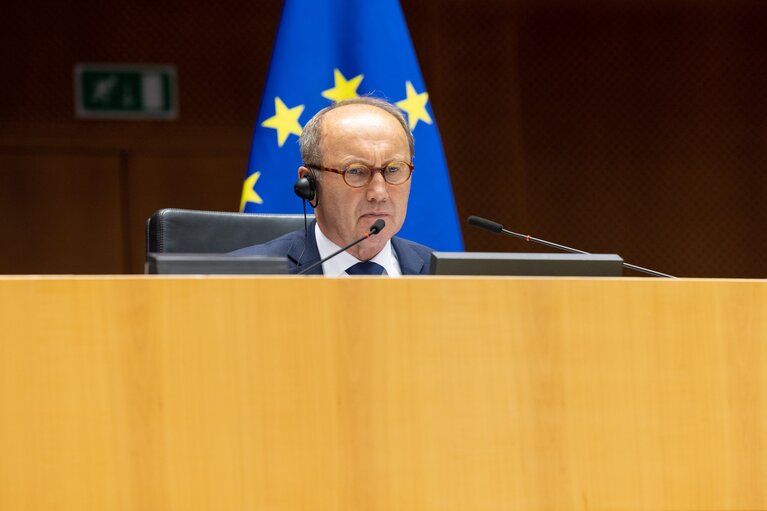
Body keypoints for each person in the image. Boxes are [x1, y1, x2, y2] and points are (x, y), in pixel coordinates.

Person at [232, 97, 433, 275]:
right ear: (309, 185)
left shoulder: (444, 275)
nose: (379, 193)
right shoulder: (243, 279)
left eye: (392, 170)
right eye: (355, 171)